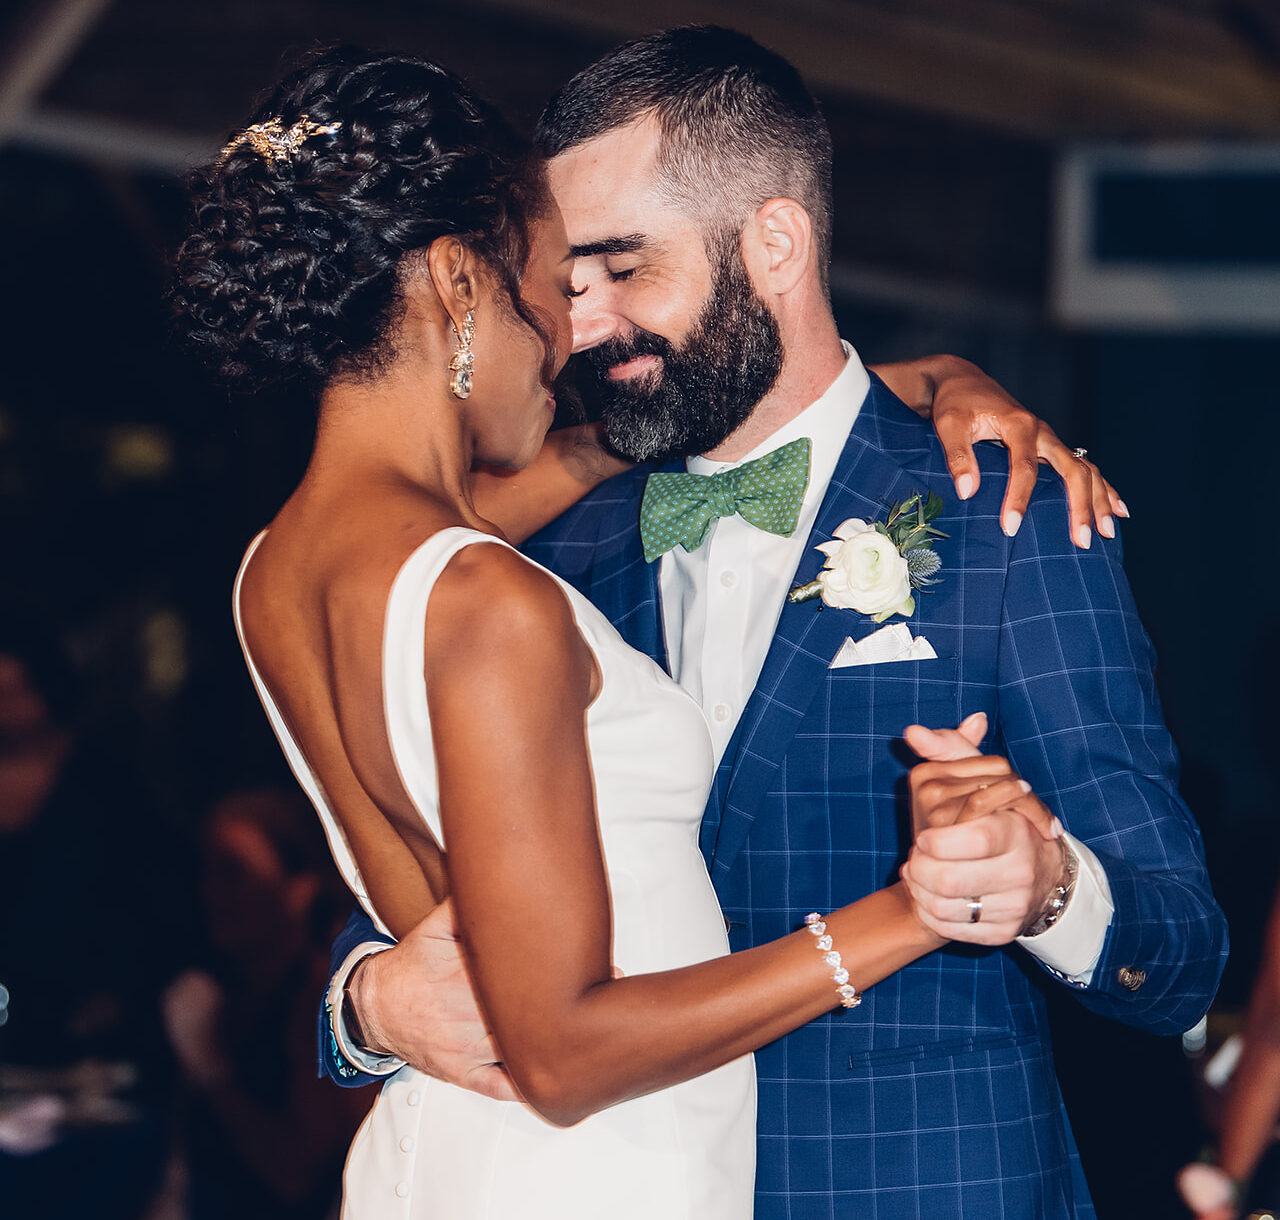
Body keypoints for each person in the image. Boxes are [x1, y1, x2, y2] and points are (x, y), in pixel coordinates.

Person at [172, 44, 1124, 1220]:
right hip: (599, 1168)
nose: (569, 334)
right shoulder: (495, 596)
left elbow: (582, 460)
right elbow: (565, 1049)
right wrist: (909, 911)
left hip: (452, 1155)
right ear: (459, 282)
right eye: (550, 282)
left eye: (612, 273)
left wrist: (918, 381)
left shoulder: (277, 567)